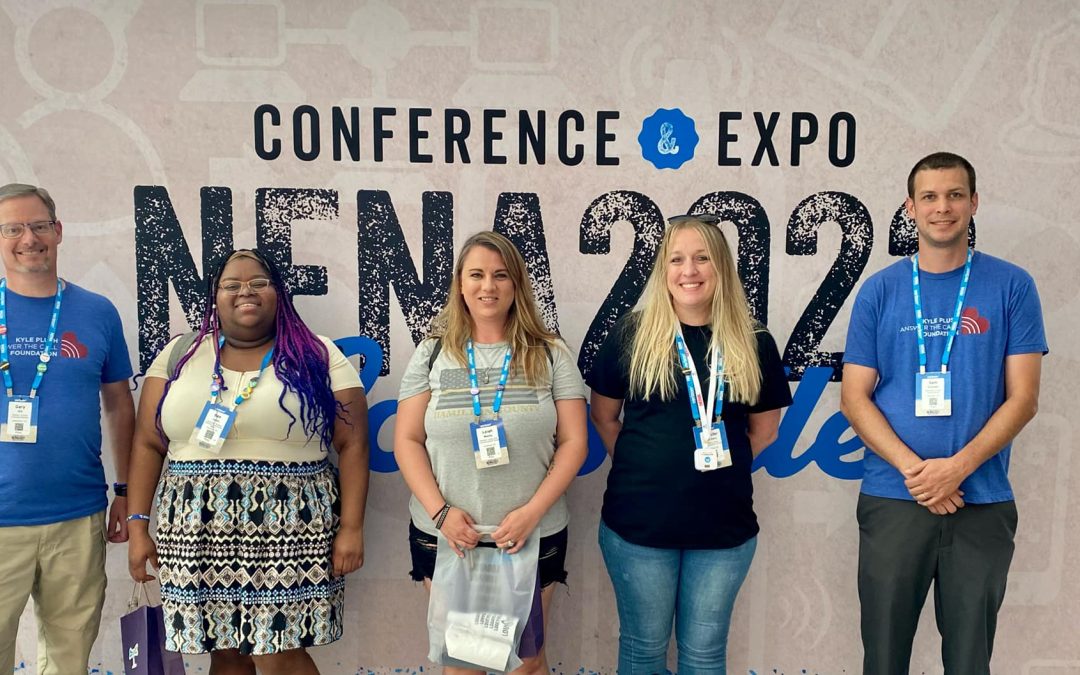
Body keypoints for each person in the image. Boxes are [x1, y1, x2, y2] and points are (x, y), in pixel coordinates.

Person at [840, 152, 1047, 674]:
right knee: (884, 659)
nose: (942, 207)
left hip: (980, 500)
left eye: (955, 195)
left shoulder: (1012, 285)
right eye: (929, 197)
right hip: (894, 498)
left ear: (974, 203)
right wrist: (919, 473)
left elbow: (1023, 398)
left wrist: (956, 469)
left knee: (970, 661)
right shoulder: (879, 291)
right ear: (910, 207)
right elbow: (855, 398)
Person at [126, 249, 369, 675]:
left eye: (258, 282)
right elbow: (148, 443)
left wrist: (351, 528)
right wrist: (137, 526)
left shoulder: (318, 354)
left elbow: (353, 444)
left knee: (280, 652)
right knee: (224, 651)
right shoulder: (180, 354)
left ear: (279, 293)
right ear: (214, 296)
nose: (246, 292)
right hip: (195, 529)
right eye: (231, 284)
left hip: (289, 527)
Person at [588, 214, 791, 675]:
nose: (689, 270)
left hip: (723, 530)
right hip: (637, 527)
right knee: (643, 651)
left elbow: (765, 432)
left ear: (721, 266)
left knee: (704, 655)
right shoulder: (632, 335)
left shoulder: (754, 341)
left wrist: (716, 475)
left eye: (702, 258)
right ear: (663, 269)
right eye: (677, 259)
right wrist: (646, 468)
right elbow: (603, 416)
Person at [393, 230, 588, 674]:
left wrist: (531, 513)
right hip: (450, 538)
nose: (488, 286)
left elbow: (575, 442)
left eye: (501, 275)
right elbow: (406, 441)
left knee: (525, 664)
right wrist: (441, 513)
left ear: (516, 284)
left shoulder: (550, 353)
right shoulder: (433, 354)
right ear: (460, 284)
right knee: (465, 664)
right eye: (477, 275)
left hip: (530, 536)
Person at [0, 183, 135, 675]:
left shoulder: (97, 311)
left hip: (77, 516)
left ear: (58, 231)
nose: (28, 239)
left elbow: (119, 404)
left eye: (38, 226)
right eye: (12, 229)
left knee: (68, 662)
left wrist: (125, 490)